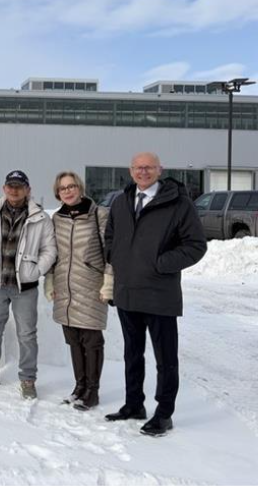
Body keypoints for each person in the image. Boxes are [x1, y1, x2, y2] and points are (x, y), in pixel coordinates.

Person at [104, 152, 206, 436]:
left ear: (160, 170)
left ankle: (164, 414)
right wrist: (117, 260)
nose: (143, 172)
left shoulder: (178, 204)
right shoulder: (122, 202)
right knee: (132, 355)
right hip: (127, 292)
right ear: (130, 170)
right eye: (138, 167)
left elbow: (196, 245)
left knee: (165, 358)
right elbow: (110, 236)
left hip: (160, 294)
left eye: (149, 167)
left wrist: (160, 264)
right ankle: (134, 404)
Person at [0, 170, 57, 399]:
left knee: (27, 334)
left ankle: (28, 379)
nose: (14, 190)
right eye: (10, 185)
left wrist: (36, 271)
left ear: (28, 190)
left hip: (24, 288)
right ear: (4, 188)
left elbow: (50, 250)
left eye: (19, 186)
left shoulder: (40, 218)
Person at [45, 171, 113, 410]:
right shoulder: (57, 218)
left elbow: (111, 251)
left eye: (72, 186)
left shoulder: (99, 215)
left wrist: (109, 281)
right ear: (58, 193)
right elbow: (53, 252)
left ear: (80, 188)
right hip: (65, 287)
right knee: (73, 338)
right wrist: (50, 280)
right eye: (63, 188)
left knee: (91, 339)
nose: (68, 191)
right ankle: (79, 387)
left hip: (91, 285)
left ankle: (92, 392)